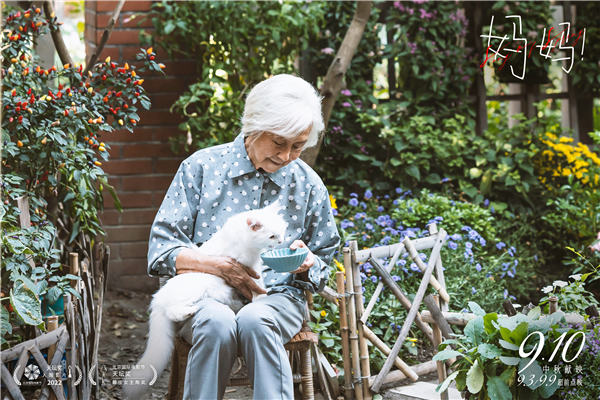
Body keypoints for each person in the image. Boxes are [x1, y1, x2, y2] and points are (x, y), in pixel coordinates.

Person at [147, 74, 341, 400]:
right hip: (204, 296)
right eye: (279, 143)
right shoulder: (202, 168)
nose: (287, 156)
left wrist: (308, 264)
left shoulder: (307, 184)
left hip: (277, 299)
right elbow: (160, 250)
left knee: (256, 318)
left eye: (298, 146)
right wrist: (219, 267)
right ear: (254, 126)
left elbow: (326, 260)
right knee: (216, 322)